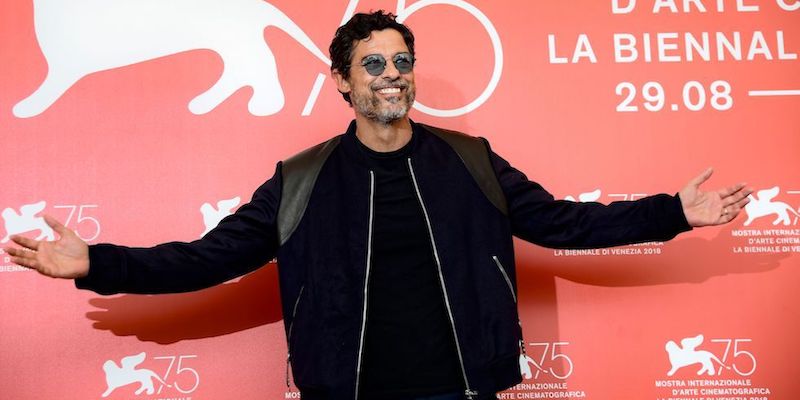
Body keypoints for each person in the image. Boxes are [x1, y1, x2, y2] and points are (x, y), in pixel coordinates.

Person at [5, 10, 751, 400]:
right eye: (373, 64)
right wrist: (95, 261)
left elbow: (563, 222)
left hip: (462, 389)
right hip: (347, 393)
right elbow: (210, 258)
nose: (392, 75)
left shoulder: (469, 161)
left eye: (402, 62)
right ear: (342, 82)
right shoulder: (301, 179)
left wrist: (673, 213)